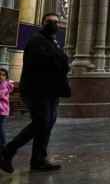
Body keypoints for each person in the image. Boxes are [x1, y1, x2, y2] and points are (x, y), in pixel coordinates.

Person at [0, 13, 70, 174]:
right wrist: (60, 59)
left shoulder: (52, 42)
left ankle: (38, 159)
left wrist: (60, 60)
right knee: (41, 123)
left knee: (47, 124)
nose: (54, 24)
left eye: (56, 22)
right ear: (42, 23)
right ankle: (7, 151)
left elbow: (62, 61)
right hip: (38, 91)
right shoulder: (36, 41)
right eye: (50, 21)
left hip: (51, 91)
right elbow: (53, 62)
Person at [0, 69, 14, 150]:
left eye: (3, 75)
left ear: (6, 77)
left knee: (0, 127)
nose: (1, 76)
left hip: (2, 111)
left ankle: (3, 144)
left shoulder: (5, 86)